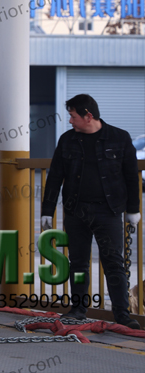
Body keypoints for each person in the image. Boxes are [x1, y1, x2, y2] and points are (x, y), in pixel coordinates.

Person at [41, 94, 141, 329]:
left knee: (114, 262)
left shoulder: (119, 138)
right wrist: (47, 209)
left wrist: (133, 210)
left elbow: (131, 177)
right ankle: (77, 310)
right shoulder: (67, 140)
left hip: (109, 211)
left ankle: (122, 313)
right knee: (77, 263)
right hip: (76, 211)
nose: (70, 121)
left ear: (88, 116)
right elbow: (55, 176)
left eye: (73, 116)